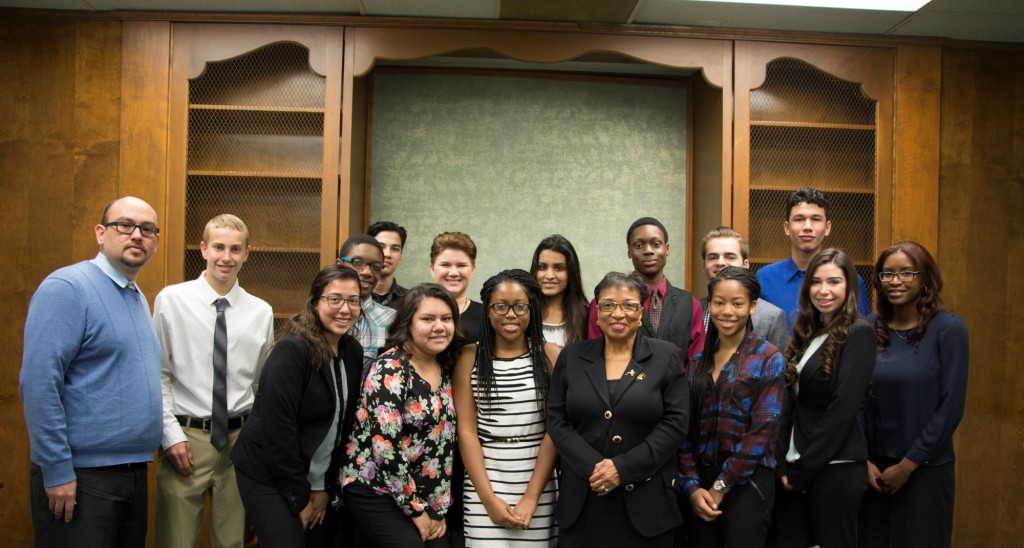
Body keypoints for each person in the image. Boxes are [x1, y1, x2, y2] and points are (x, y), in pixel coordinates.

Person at [20, 196, 163, 547]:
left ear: (155, 241)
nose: (136, 235)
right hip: (81, 478)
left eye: (147, 229)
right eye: (124, 226)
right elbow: (39, 384)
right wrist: (56, 470)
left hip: (130, 473)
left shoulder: (136, 297)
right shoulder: (68, 288)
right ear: (101, 233)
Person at [154, 214, 274, 548]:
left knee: (232, 540)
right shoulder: (171, 300)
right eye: (218, 247)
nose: (226, 257)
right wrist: (170, 437)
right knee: (175, 540)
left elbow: (260, 385)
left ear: (247, 252)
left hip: (240, 441)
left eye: (235, 249)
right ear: (203, 248)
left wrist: (255, 438)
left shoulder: (260, 311)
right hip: (186, 438)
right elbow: (159, 375)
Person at [548, 272, 690, 547]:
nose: (618, 313)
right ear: (597, 311)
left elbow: (675, 424)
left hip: (647, 501)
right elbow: (557, 419)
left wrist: (621, 469)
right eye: (608, 305)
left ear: (641, 311)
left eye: (628, 305)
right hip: (584, 498)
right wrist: (596, 468)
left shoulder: (665, 356)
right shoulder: (573, 357)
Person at [230, 265, 364, 548]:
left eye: (353, 300)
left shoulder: (352, 350)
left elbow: (340, 427)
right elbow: (278, 432)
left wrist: (322, 487)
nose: (345, 309)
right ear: (316, 302)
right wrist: (299, 497)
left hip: (312, 474)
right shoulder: (293, 350)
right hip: (267, 471)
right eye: (335, 299)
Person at [859, 242, 969, 548]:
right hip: (874, 475)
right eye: (887, 274)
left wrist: (908, 466)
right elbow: (856, 399)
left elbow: (951, 406)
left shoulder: (948, 329)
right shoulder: (869, 328)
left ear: (925, 279)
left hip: (924, 471)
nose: (895, 281)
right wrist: (863, 459)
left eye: (906, 272)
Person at [341, 284, 466, 548]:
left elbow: (442, 448)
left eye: (446, 319)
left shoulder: (445, 367)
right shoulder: (390, 369)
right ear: (407, 322)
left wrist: (437, 510)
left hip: (424, 494)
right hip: (376, 486)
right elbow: (386, 450)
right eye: (428, 319)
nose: (439, 326)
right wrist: (416, 512)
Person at [774, 248, 876, 548]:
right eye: (816, 282)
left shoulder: (859, 333)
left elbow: (842, 409)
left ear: (849, 287)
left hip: (836, 468)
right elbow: (791, 405)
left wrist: (802, 472)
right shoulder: (810, 333)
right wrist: (783, 465)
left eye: (834, 282)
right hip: (797, 467)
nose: (824, 290)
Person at [679, 266, 785, 547]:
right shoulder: (697, 360)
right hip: (700, 482)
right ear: (709, 304)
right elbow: (684, 429)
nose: (727, 311)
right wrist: (691, 487)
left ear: (752, 306)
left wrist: (720, 487)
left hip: (746, 481)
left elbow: (762, 432)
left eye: (737, 303)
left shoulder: (768, 357)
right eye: (719, 302)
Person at [454, 270, 561, 546]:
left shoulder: (549, 356)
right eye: (501, 306)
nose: (510, 314)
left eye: (520, 306)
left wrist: (532, 497)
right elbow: (466, 432)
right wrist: (488, 500)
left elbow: (555, 430)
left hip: (537, 480)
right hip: (484, 480)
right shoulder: (469, 356)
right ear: (488, 310)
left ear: (532, 310)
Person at [587, 217, 705, 360]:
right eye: (638, 245)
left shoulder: (690, 304)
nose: (648, 251)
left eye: (656, 244)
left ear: (666, 249)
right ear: (629, 251)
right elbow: (596, 356)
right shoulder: (604, 303)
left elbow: (696, 362)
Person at [756, 187, 870, 327]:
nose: (808, 227)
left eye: (816, 219)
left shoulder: (850, 280)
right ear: (787, 227)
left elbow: (859, 333)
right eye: (799, 219)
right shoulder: (765, 278)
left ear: (827, 227)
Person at [699, 226, 789, 351]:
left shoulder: (772, 317)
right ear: (704, 266)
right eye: (713, 257)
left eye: (730, 257)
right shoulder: (693, 310)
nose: (720, 262)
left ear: (745, 265)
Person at [338, 234, 397, 372]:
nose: (367, 272)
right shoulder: (324, 313)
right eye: (358, 263)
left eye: (376, 267)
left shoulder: (392, 320)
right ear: (340, 265)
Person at [530, 235, 589, 347]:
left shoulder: (585, 316)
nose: (549, 275)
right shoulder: (523, 313)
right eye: (542, 267)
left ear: (571, 272)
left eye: (559, 268)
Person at [430, 231, 482, 344]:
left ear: (472, 269)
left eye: (461, 265)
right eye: (445, 265)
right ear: (432, 269)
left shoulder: (486, 316)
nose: (453, 273)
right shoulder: (414, 312)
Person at [369, 221, 409, 309]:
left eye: (395, 249)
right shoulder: (353, 297)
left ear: (400, 257)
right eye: (380, 247)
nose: (387, 254)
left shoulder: (411, 301)